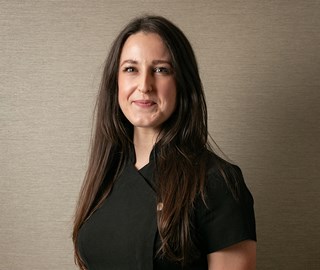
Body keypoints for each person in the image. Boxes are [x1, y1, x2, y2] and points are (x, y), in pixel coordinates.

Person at [72, 15, 256, 270]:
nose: (144, 85)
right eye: (131, 69)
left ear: (182, 82)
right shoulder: (107, 174)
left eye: (160, 70)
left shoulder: (218, 182)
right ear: (116, 82)